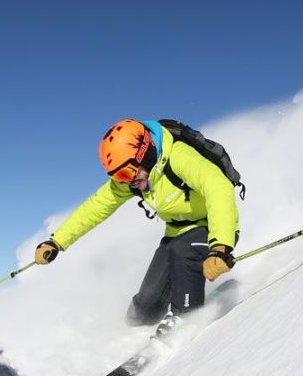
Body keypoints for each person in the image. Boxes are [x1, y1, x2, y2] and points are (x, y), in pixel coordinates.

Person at [34, 119, 239, 329]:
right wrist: (56, 242)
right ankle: (131, 328)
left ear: (145, 154)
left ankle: (185, 320)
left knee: (182, 251)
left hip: (213, 228)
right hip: (176, 232)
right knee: (146, 306)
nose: (125, 182)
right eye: (117, 177)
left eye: (126, 173)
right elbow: (94, 208)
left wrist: (220, 246)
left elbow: (218, 186)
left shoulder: (179, 156)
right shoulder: (132, 179)